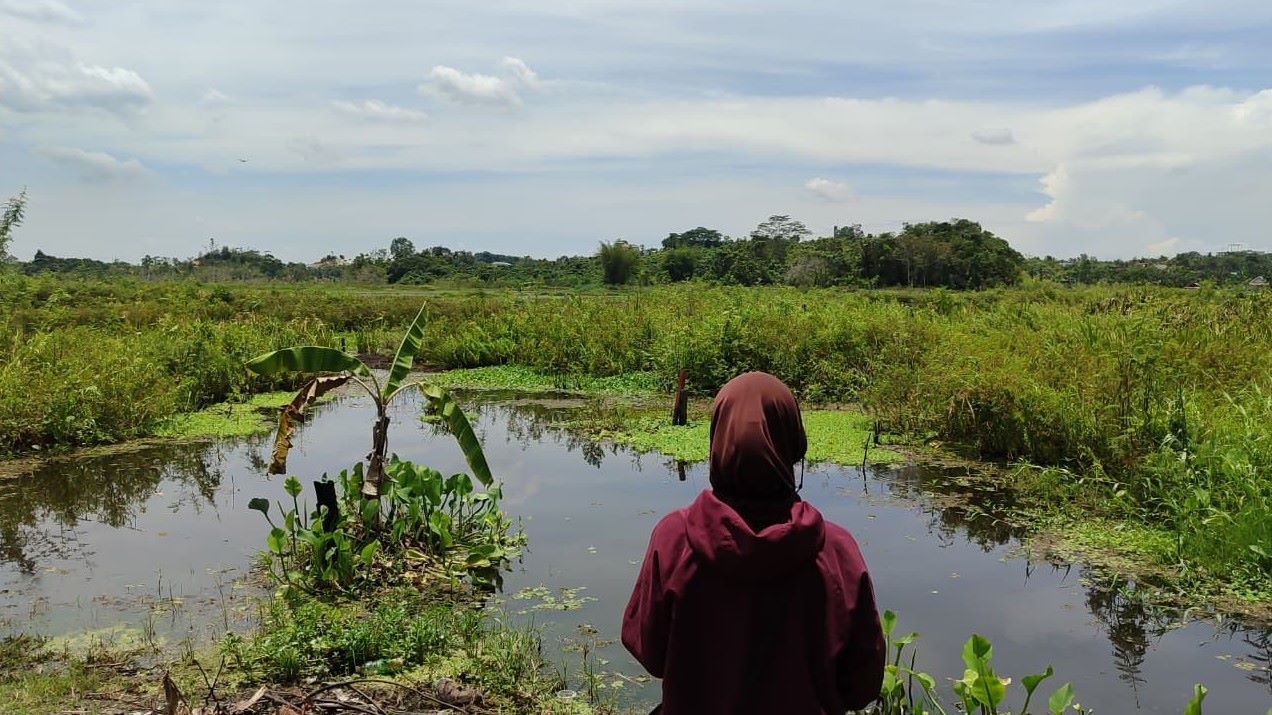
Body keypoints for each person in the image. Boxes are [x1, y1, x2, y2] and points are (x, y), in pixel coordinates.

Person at [622, 371, 885, 714]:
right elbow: (862, 684)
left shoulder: (673, 539)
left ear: (717, 439)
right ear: (793, 443)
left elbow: (651, 653)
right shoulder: (836, 551)